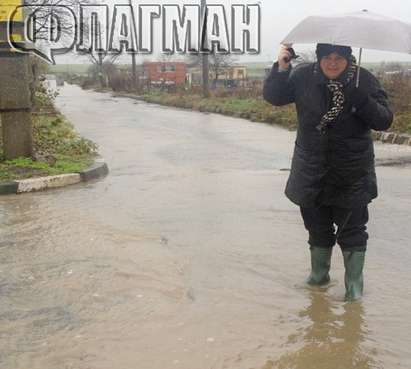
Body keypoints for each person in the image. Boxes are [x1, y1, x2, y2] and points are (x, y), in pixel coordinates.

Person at [263, 43, 393, 301]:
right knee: (317, 228)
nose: (333, 63)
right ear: (319, 58)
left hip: (351, 172)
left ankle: (354, 290)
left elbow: (384, 120)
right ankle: (319, 279)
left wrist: (362, 100)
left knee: (353, 231)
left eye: (339, 58)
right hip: (311, 170)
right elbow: (274, 97)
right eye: (327, 58)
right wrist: (281, 66)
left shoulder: (363, 79)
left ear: (349, 59)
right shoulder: (302, 76)